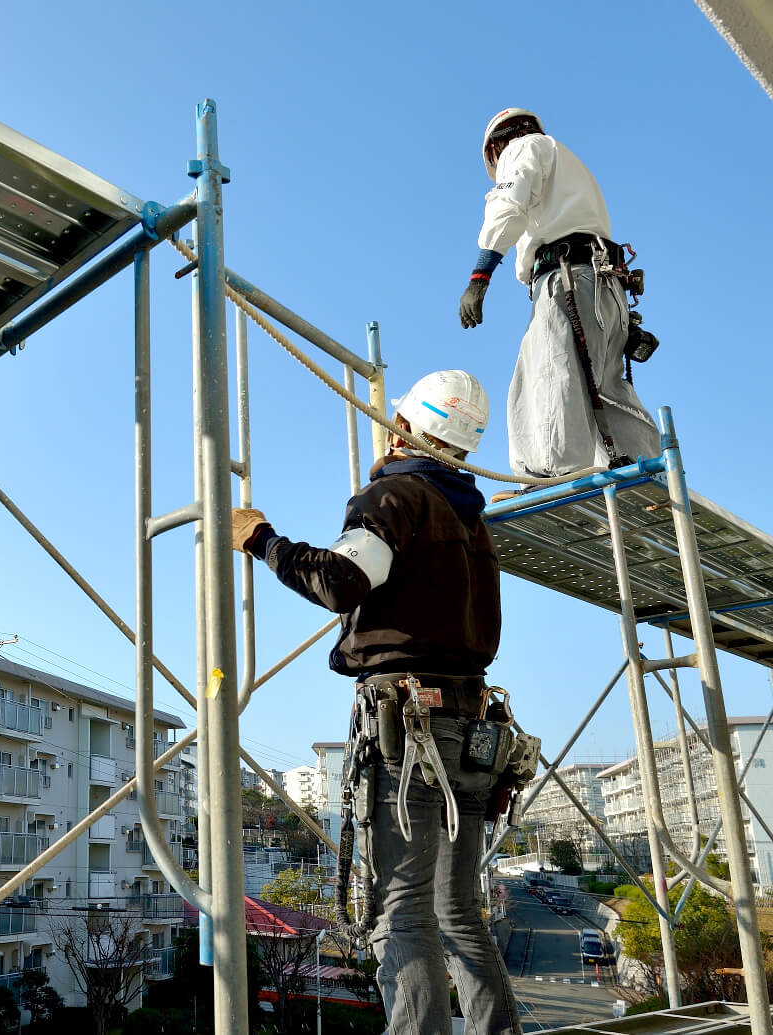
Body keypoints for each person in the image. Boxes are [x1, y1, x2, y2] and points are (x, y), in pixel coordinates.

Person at [230, 370, 521, 1035]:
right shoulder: (471, 520)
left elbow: (341, 580)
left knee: (402, 911)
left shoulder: (396, 496)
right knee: (457, 910)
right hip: (473, 728)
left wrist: (261, 538)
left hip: (415, 726)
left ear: (408, 427)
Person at [458, 108, 661, 492]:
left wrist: (480, 276)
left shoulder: (521, 149)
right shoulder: (567, 164)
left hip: (567, 278)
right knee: (604, 385)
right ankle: (641, 475)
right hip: (605, 284)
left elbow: (508, 207)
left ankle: (552, 477)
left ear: (496, 146)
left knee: (546, 372)